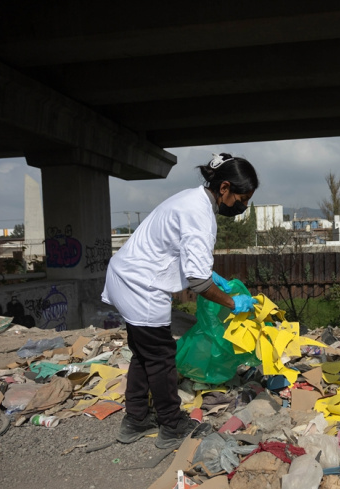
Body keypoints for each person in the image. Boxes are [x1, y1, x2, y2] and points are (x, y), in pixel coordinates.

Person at [102, 153, 260, 449]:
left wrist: (213, 276)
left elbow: (179, 250)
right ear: (224, 188)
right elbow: (199, 283)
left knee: (143, 353)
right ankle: (172, 426)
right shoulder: (199, 214)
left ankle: (135, 420)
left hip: (126, 275)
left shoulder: (192, 199)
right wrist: (232, 302)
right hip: (141, 285)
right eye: (243, 197)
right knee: (161, 357)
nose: (244, 205)